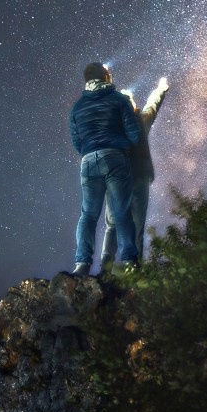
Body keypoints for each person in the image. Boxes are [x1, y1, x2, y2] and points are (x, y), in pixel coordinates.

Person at [68, 62, 141, 277]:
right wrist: (123, 146)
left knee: (88, 215)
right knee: (121, 212)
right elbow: (134, 133)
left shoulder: (77, 107)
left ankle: (82, 264)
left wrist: (90, 150)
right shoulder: (118, 100)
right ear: (105, 77)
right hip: (115, 158)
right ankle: (129, 261)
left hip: (89, 161)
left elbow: (76, 142)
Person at [100, 76, 169, 270]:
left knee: (129, 223)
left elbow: (152, 105)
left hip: (133, 178)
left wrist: (161, 89)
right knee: (116, 224)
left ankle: (129, 266)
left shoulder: (137, 121)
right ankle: (112, 266)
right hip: (124, 177)